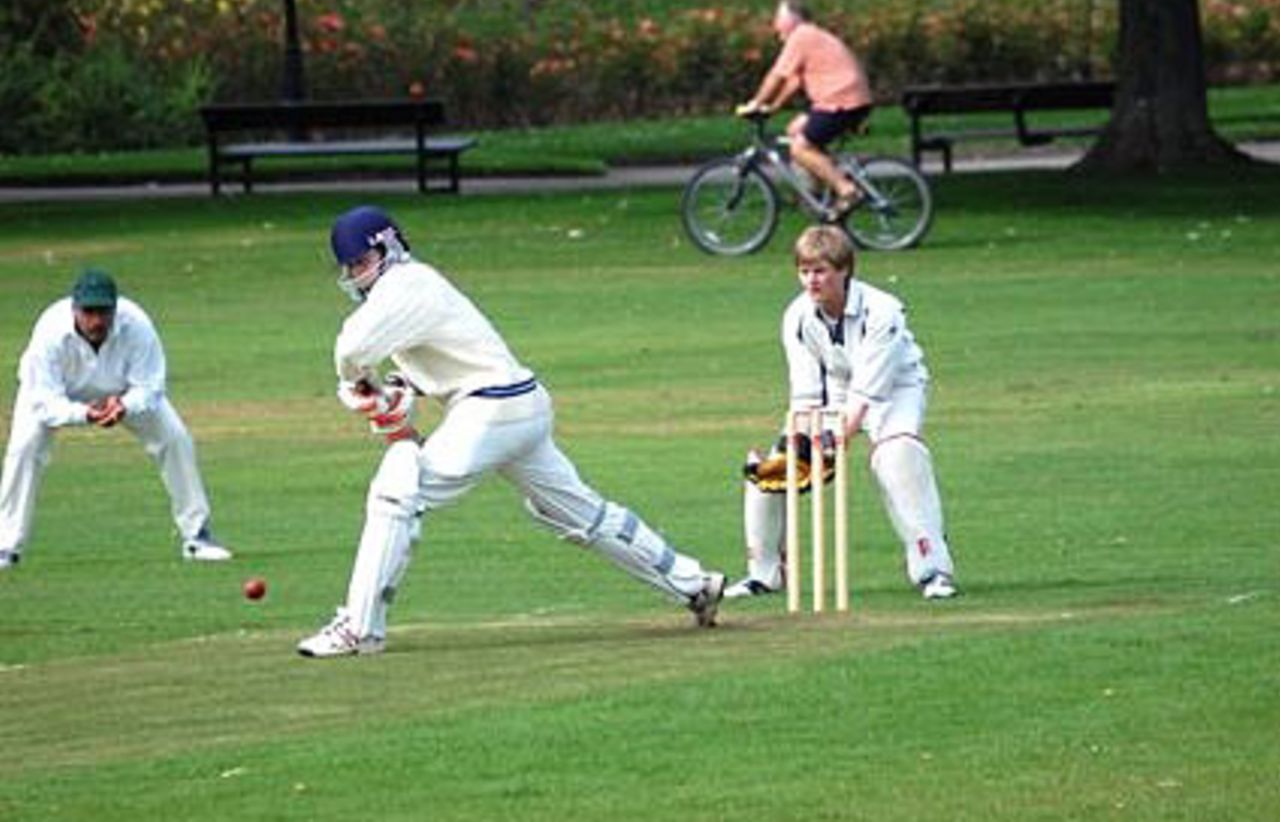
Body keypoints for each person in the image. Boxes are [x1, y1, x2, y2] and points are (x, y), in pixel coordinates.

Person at [297, 205, 726, 657]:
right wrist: (390, 391)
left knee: (396, 489)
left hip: (492, 410)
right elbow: (434, 360)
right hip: (520, 404)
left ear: (389, 248)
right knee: (580, 512)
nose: (357, 276)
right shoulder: (412, 289)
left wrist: (355, 382)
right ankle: (694, 584)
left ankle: (359, 629)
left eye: (361, 264)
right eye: (350, 269)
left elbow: (352, 347)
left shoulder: (406, 284)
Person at [725, 225, 957, 601]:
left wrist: (833, 443)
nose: (811, 281)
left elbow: (868, 388)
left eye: (820, 271)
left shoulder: (883, 311)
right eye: (804, 271)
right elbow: (804, 393)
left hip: (895, 388)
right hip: (836, 391)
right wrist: (798, 446)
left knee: (897, 458)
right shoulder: (797, 316)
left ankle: (933, 569)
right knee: (770, 472)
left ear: (844, 269)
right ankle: (764, 574)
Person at [0, 269, 232, 568]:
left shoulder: (137, 325)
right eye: (89, 312)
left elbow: (150, 386)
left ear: (115, 308)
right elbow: (44, 401)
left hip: (122, 391)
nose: (97, 321)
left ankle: (197, 537)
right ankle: (5, 546)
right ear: (75, 309)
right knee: (25, 448)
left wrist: (124, 405)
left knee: (175, 438)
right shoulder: (49, 332)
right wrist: (84, 413)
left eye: (104, 312)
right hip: (59, 394)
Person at [738, 0, 873, 218]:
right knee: (794, 130)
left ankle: (846, 190)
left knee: (800, 148)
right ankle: (814, 191)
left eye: (777, 18)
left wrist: (756, 103)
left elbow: (777, 75)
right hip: (845, 99)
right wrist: (772, 108)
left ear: (793, 18)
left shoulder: (801, 36)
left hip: (841, 100)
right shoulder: (811, 37)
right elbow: (794, 82)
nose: (774, 26)